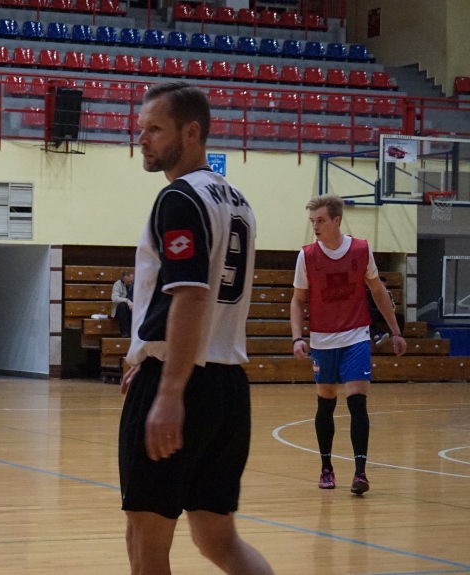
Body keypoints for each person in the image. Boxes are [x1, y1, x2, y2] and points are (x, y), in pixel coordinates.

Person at [119, 82, 273, 575]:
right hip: (228, 388)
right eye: (141, 128)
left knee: (145, 543)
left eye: (155, 129)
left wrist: (168, 390)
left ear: (191, 132)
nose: (142, 139)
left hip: (184, 382)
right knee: (217, 540)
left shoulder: (179, 197)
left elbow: (190, 296)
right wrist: (143, 354)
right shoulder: (238, 199)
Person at [290, 194, 407, 495]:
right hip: (322, 339)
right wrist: (297, 337)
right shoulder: (307, 256)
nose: (315, 226)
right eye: (312, 221)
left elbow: (378, 291)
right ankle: (326, 467)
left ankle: (360, 473)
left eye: (321, 220)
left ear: (337, 220)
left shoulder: (360, 250)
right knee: (326, 403)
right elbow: (298, 300)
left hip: (356, 336)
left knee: (357, 402)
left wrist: (395, 331)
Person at [111, 270, 135, 338]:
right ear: (123, 279)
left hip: (135, 306)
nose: (130, 283)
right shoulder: (117, 284)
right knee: (121, 306)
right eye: (127, 282)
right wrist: (127, 301)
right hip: (124, 308)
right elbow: (114, 298)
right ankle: (125, 332)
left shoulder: (138, 283)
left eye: (131, 281)